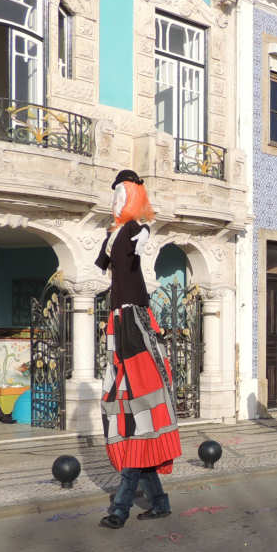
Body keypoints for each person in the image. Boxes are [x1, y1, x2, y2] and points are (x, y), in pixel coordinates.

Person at [96, 170, 182, 530]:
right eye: (114, 195)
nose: (116, 201)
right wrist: (111, 235)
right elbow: (102, 265)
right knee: (134, 420)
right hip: (119, 321)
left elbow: (139, 242)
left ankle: (120, 508)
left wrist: (145, 230)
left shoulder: (132, 229)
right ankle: (159, 503)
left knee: (137, 422)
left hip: (133, 319)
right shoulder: (114, 233)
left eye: (121, 194)